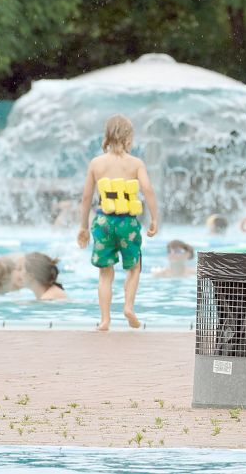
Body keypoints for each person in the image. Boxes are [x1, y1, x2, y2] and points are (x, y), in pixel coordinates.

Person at [77, 114, 159, 332]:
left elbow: (86, 197)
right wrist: (155, 218)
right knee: (134, 267)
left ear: (106, 136)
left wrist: (83, 227)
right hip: (128, 224)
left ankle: (105, 320)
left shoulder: (96, 163)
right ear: (128, 137)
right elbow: (148, 189)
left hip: (103, 222)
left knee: (105, 273)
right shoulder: (135, 164)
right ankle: (128, 307)